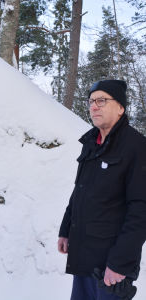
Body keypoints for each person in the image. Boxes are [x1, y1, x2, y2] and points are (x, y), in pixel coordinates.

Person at [58, 79, 146, 300]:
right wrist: (66, 228)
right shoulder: (91, 143)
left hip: (111, 266)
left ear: (120, 107)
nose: (93, 106)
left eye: (101, 100)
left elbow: (141, 210)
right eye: (90, 101)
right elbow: (80, 190)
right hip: (85, 255)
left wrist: (120, 263)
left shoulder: (137, 147)